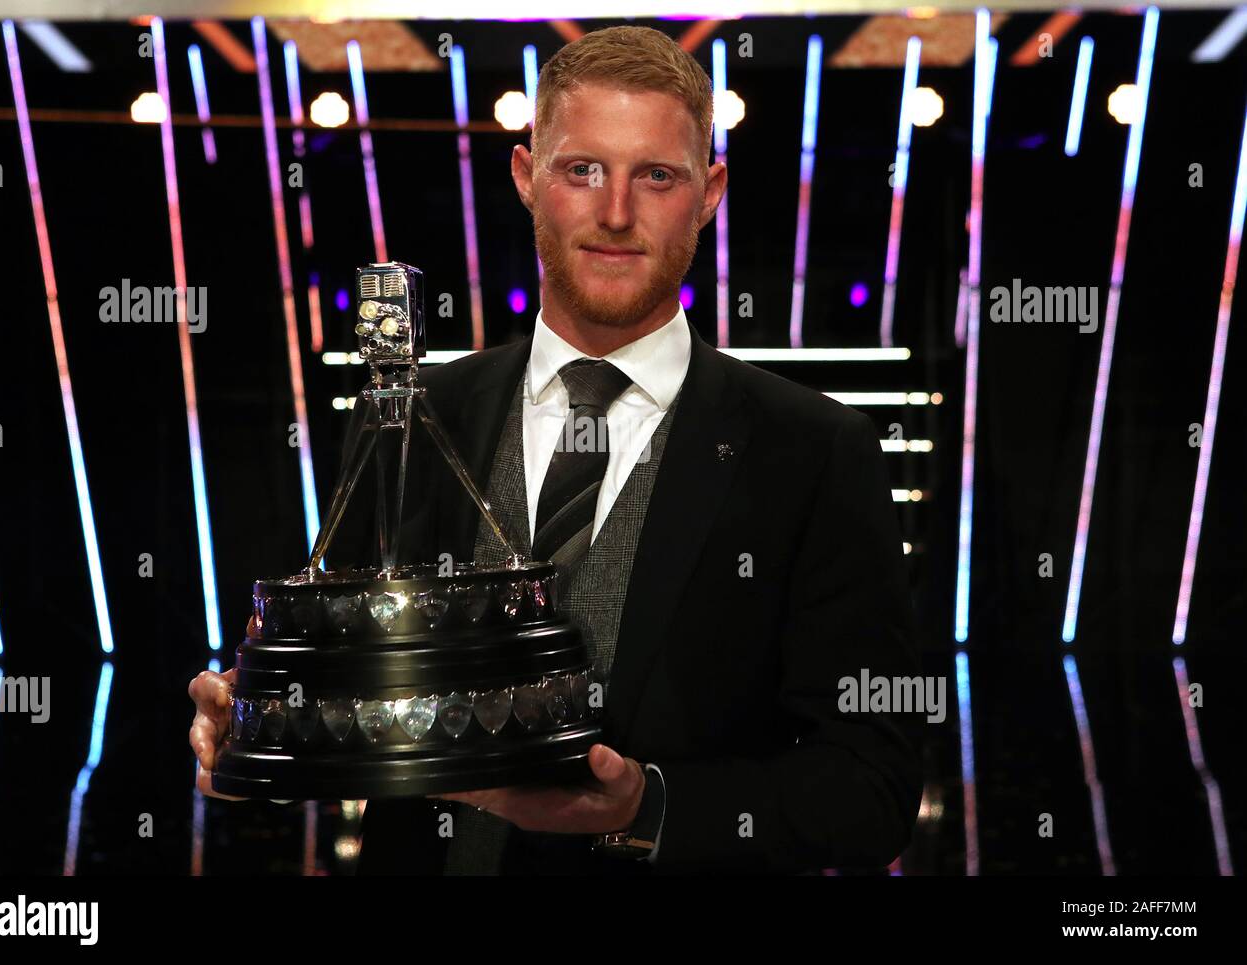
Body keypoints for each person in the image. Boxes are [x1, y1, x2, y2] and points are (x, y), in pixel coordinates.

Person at [189, 24, 923, 875]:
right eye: (582, 170)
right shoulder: (419, 412)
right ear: (525, 176)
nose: (616, 212)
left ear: (711, 192)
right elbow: (355, 696)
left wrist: (646, 807)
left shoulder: (814, 449)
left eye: (657, 175)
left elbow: (872, 788)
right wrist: (256, 727)